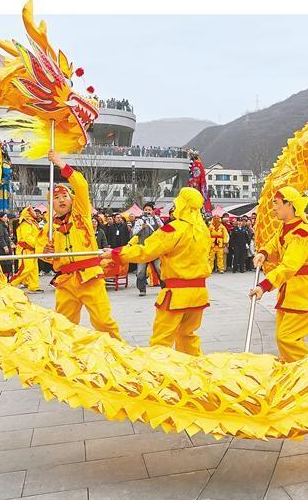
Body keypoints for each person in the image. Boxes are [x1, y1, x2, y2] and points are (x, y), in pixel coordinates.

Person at [103, 188, 211, 355]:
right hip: (198, 293)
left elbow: (147, 250)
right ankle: (193, 370)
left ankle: (159, 374)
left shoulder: (173, 229)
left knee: (161, 340)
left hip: (176, 294)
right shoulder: (203, 230)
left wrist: (117, 253)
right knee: (187, 335)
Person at [38, 151, 122, 341]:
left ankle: (119, 354)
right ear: (51, 204)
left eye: (64, 196)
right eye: (56, 198)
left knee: (103, 322)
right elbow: (41, 254)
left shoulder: (81, 213)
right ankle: (65, 360)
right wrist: (46, 253)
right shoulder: (48, 228)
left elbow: (81, 185)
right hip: (66, 282)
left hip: (90, 277)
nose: (60, 200)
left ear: (71, 199)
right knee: (63, 326)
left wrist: (60, 164)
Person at [250, 186, 308, 362]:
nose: (273, 208)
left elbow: (290, 265)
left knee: (287, 338)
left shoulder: (302, 232)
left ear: (289, 204)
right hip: (290, 291)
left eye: (276, 203)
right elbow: (274, 244)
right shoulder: (286, 227)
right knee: (285, 339)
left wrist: (264, 286)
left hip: (303, 291)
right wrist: (263, 253)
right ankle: (293, 370)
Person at [131, 202, 163, 296]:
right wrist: (141, 227)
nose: (147, 211)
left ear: (152, 211)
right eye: (146, 209)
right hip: (143, 248)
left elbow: (163, 228)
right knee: (141, 270)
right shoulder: (139, 221)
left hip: (154, 248)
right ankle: (142, 289)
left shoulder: (156, 219)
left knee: (159, 268)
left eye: (149, 210)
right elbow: (134, 233)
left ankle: (164, 287)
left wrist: (158, 222)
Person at [10, 206, 43, 293]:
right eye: (32, 210)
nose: (35, 212)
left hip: (32, 249)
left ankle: (33, 287)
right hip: (26, 249)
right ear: (28, 212)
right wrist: (37, 245)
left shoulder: (32, 222)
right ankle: (12, 283)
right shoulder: (25, 223)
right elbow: (27, 237)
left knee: (34, 268)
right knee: (26, 268)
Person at [0, 211, 13, 279]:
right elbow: (0, 237)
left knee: (6, 266)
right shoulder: (0, 226)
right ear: (1, 218)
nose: (7, 218)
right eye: (5, 217)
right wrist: (5, 247)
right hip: (0, 250)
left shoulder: (3, 226)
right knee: (3, 266)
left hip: (2, 249)